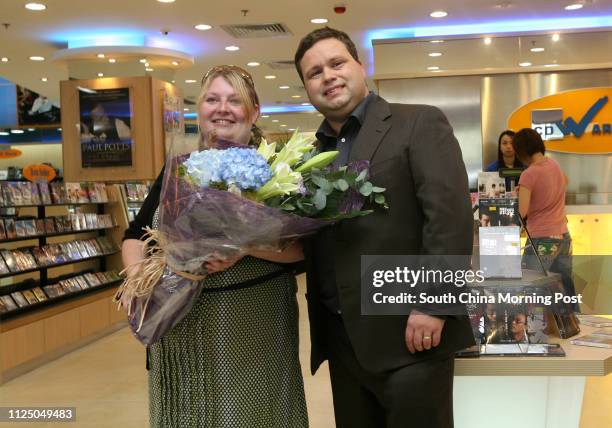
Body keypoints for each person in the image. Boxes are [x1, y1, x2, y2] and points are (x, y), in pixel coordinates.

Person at [294, 27, 474, 428]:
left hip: (410, 336)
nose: (328, 76)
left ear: (360, 66)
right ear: (307, 87)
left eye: (337, 63)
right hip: (343, 343)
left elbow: (449, 218)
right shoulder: (310, 155)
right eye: (314, 72)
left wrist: (434, 304)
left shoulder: (419, 123)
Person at [121, 65, 308, 428]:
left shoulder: (280, 170)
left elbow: (303, 251)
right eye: (212, 99)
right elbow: (134, 234)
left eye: (234, 100)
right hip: (177, 324)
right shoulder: (178, 168)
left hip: (252, 322)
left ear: (254, 112)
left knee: (253, 413)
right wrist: (137, 283)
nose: (222, 108)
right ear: (199, 110)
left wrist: (245, 247)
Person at [513, 128, 578, 311]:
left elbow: (522, 211)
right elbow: (565, 181)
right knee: (565, 287)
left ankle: (535, 330)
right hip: (563, 236)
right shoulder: (554, 165)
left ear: (522, 152)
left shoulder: (529, 174)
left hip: (543, 240)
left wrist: (521, 194)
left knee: (529, 284)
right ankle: (574, 326)